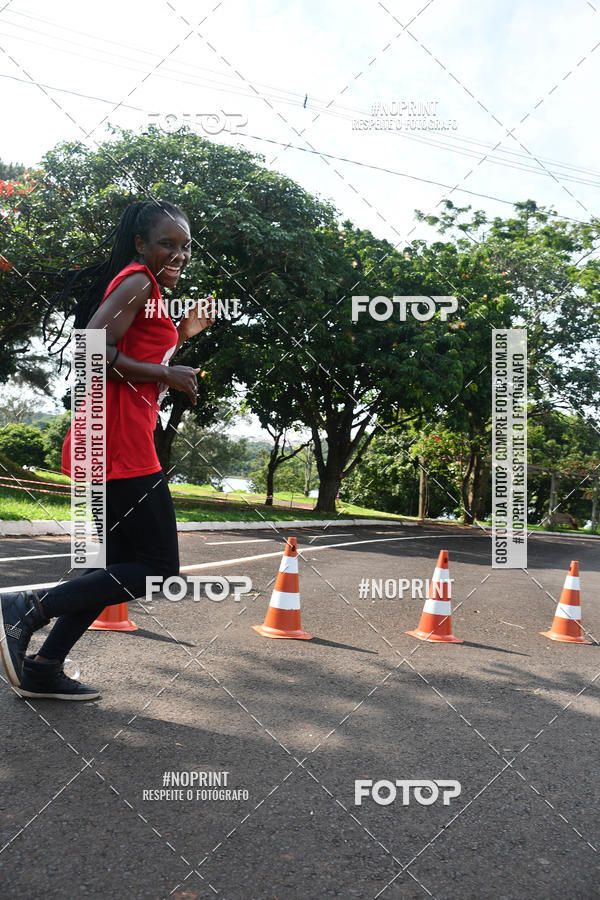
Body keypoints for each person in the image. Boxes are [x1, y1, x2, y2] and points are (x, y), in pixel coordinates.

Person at [0, 200, 214, 700]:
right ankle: (26, 607)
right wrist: (169, 373)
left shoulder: (151, 291)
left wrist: (183, 335)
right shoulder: (139, 279)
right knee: (158, 567)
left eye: (185, 247)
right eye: (168, 243)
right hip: (116, 440)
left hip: (115, 438)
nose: (178, 254)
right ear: (142, 244)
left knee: (111, 568)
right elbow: (93, 349)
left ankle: (45, 667)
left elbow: (132, 354)